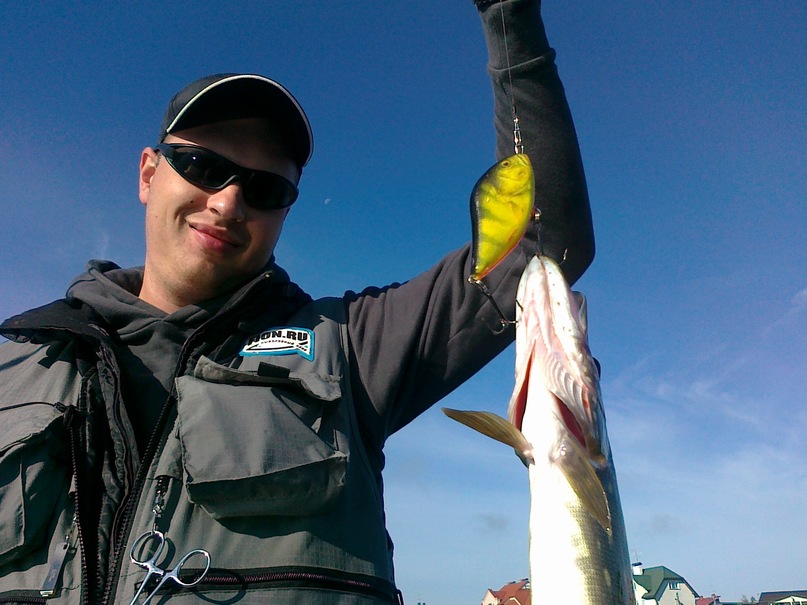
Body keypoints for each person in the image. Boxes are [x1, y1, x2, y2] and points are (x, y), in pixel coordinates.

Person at [0, 0, 593, 603]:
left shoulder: (353, 348)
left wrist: (507, 15)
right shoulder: (15, 367)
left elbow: (544, 245)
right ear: (149, 174)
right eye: (202, 166)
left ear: (286, 211)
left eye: (265, 189)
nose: (228, 203)